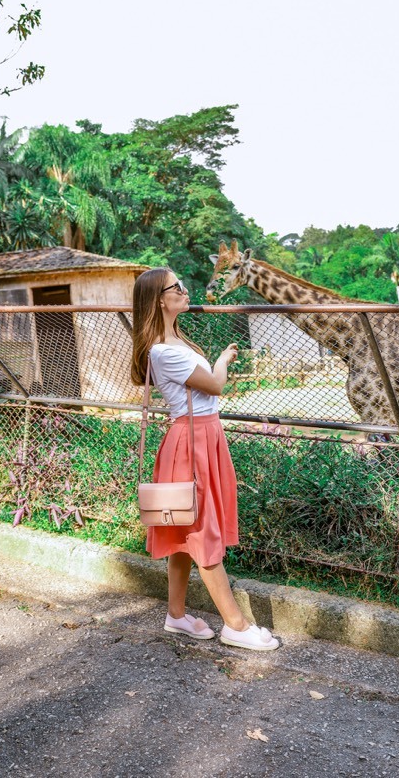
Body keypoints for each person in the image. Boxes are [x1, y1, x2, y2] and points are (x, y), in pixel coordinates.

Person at [131, 267, 279, 651]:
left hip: (201, 437)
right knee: (201, 531)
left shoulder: (175, 339)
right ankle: (235, 624)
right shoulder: (164, 350)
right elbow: (214, 386)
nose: (185, 290)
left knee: (184, 529)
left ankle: (176, 615)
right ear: (160, 299)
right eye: (176, 287)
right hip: (191, 441)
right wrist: (222, 360)